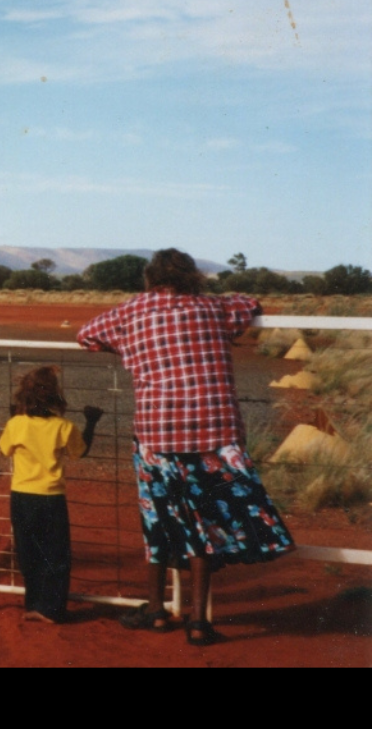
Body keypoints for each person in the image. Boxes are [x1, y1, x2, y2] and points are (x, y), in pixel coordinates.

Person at [78, 248, 295, 646]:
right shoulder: (215, 309)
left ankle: (157, 610)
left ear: (150, 277)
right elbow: (251, 304)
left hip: (157, 433)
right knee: (206, 523)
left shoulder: (130, 311)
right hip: (214, 433)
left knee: (157, 519)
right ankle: (198, 621)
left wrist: (128, 348)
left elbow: (86, 335)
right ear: (191, 276)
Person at [0, 366, 103, 624]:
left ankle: (33, 603)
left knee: (27, 551)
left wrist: (16, 417)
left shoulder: (16, 424)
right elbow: (80, 452)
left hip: (22, 496)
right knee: (55, 553)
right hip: (51, 497)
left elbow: (5, 450)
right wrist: (91, 422)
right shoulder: (63, 426)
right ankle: (51, 608)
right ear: (55, 396)